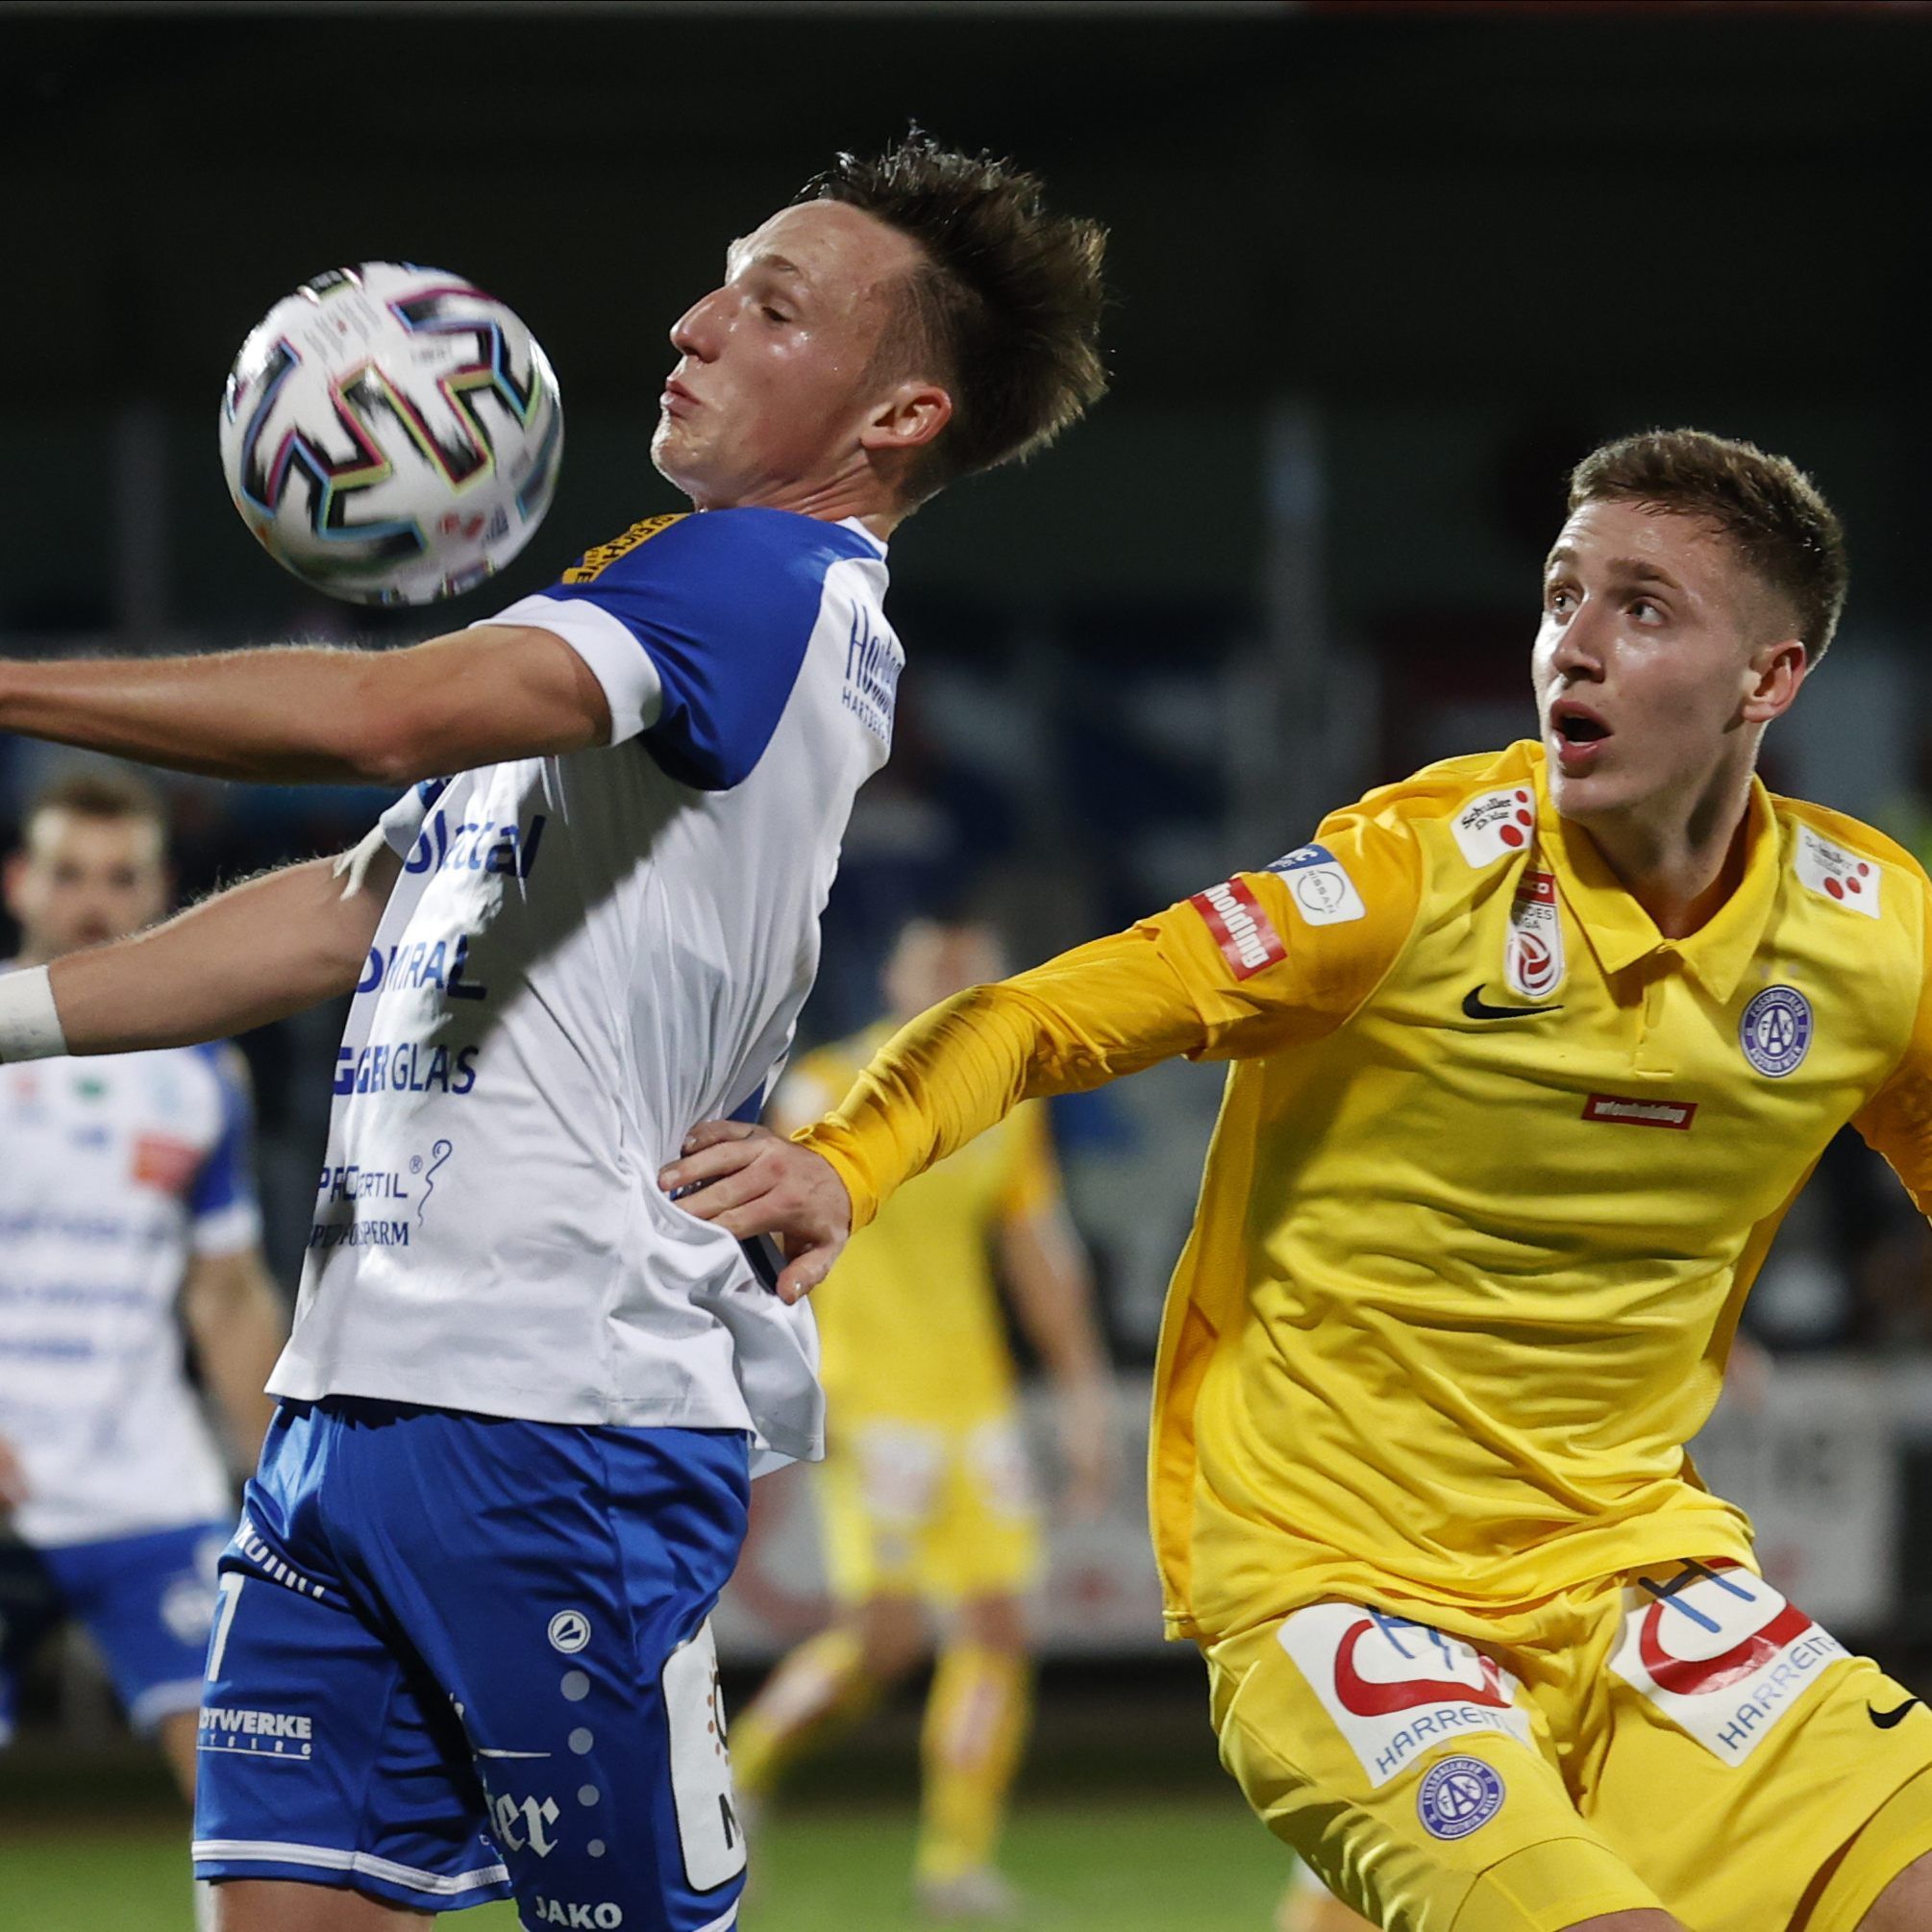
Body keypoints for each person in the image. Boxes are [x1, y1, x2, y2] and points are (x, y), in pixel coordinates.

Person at [0, 136, 1106, 1932]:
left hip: (552, 1420)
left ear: (899, 415)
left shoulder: (770, 586)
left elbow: (379, 717)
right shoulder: (637, 619)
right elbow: (353, 914)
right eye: (717, 281)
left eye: (768, 306)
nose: (688, 325)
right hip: (350, 1407)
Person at [661, 428, 1932, 1932]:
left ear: (1768, 681)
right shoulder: (1408, 880)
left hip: (1639, 1573)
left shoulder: (1870, 938)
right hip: (1337, 1588)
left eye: (1641, 609)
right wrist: (844, 1157)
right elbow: (1039, 1014)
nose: (1569, 647)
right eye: (1559, 594)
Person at [729, 917, 1115, 1922]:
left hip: (974, 1406)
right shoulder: (824, 1088)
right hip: (871, 1403)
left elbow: (1039, 1260)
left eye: (969, 961)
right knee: (885, 1641)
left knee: (994, 1627)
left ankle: (956, 1861)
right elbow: (762, 1239)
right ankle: (737, 1776)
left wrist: (1079, 1398)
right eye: (930, 959)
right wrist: (792, 1381)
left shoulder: (1006, 1110)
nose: (950, 976)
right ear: (892, 972)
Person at [0, 770, 284, 1812]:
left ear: (160, 889)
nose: (93, 903)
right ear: (21, 882)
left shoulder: (202, 1070)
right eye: (69, 873)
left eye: (121, 878)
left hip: (144, 1488)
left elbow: (226, 1294)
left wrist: (281, 1482)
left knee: (246, 1792)